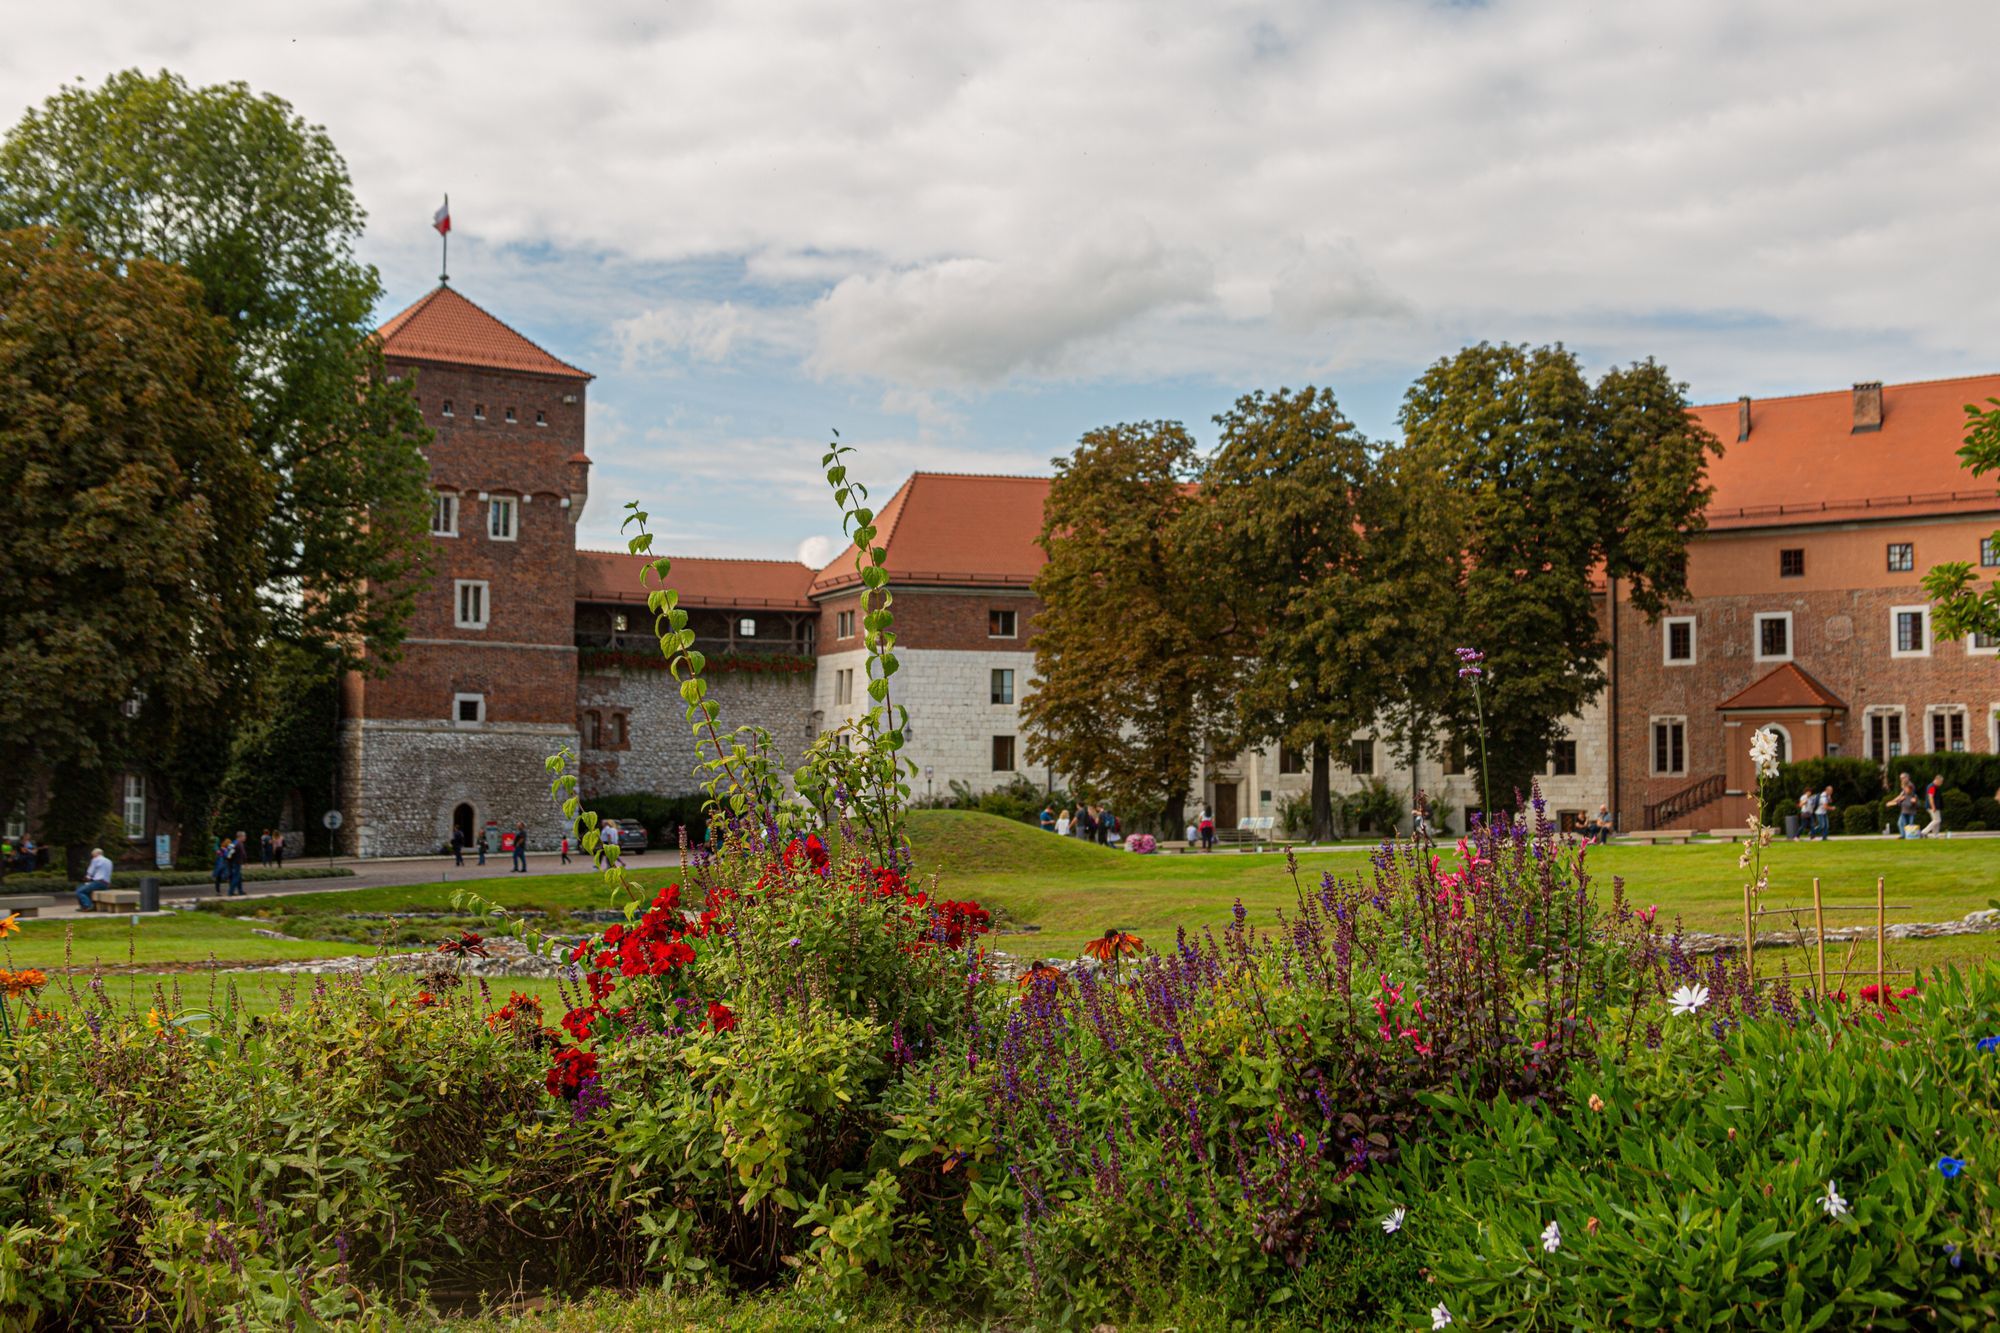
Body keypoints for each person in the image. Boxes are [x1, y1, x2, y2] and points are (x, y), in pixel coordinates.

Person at [75, 845, 113, 911]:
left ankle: (87, 906)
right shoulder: (109, 861)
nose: (93, 856)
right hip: (106, 883)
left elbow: (90, 871)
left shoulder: (96, 859)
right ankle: (88, 905)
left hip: (98, 882)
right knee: (86, 889)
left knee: (80, 891)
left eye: (93, 855)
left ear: (96, 854)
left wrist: (87, 878)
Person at [1886, 772, 1921, 837]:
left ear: (1907, 778)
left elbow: (1906, 797)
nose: (1901, 779)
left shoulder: (1910, 786)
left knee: (1910, 825)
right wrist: (1892, 802)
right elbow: (1900, 798)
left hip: (1910, 811)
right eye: (1901, 778)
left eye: (1902, 778)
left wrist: (1892, 802)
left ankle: (1909, 836)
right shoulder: (1904, 789)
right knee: (1901, 823)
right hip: (1904, 810)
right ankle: (1904, 835)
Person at [228, 831, 248, 895]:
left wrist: (229, 861)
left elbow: (229, 853)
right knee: (236, 877)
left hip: (232, 863)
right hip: (237, 863)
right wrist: (245, 862)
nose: (245, 838)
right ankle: (230, 892)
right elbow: (243, 854)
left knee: (239, 877)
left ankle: (240, 891)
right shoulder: (239, 844)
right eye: (244, 836)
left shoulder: (233, 842)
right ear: (240, 836)